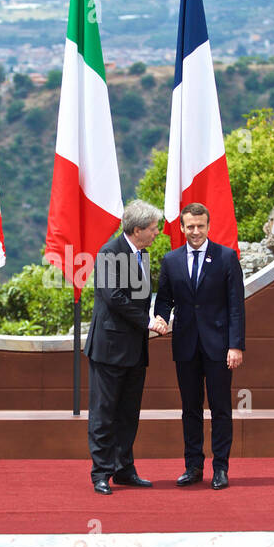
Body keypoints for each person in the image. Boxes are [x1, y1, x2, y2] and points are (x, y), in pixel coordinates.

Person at [152, 202, 245, 489]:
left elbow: (235, 306)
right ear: (181, 227)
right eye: (190, 226)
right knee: (190, 408)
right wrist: (160, 318)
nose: (195, 231)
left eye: (200, 226)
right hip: (185, 345)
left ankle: (220, 468)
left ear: (208, 226)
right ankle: (193, 466)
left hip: (219, 347)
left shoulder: (226, 257)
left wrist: (236, 346)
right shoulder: (171, 260)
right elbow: (165, 298)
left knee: (220, 408)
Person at [84, 199, 163, 495]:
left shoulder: (143, 254)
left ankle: (124, 468)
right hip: (109, 348)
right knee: (105, 412)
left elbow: (142, 297)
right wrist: (148, 322)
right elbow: (114, 297)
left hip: (134, 349)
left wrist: (156, 316)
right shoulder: (109, 253)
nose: (157, 233)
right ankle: (101, 473)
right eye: (154, 229)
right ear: (138, 229)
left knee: (129, 412)